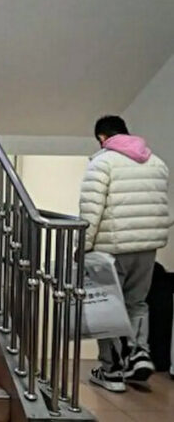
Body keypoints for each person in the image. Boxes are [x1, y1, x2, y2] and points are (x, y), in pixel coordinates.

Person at [80, 115, 172, 392]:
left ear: (102, 138)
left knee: (108, 307)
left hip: (112, 247)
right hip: (147, 247)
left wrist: (82, 246)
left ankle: (112, 371)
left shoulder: (102, 163)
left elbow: (91, 209)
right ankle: (139, 355)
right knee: (137, 303)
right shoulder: (156, 163)